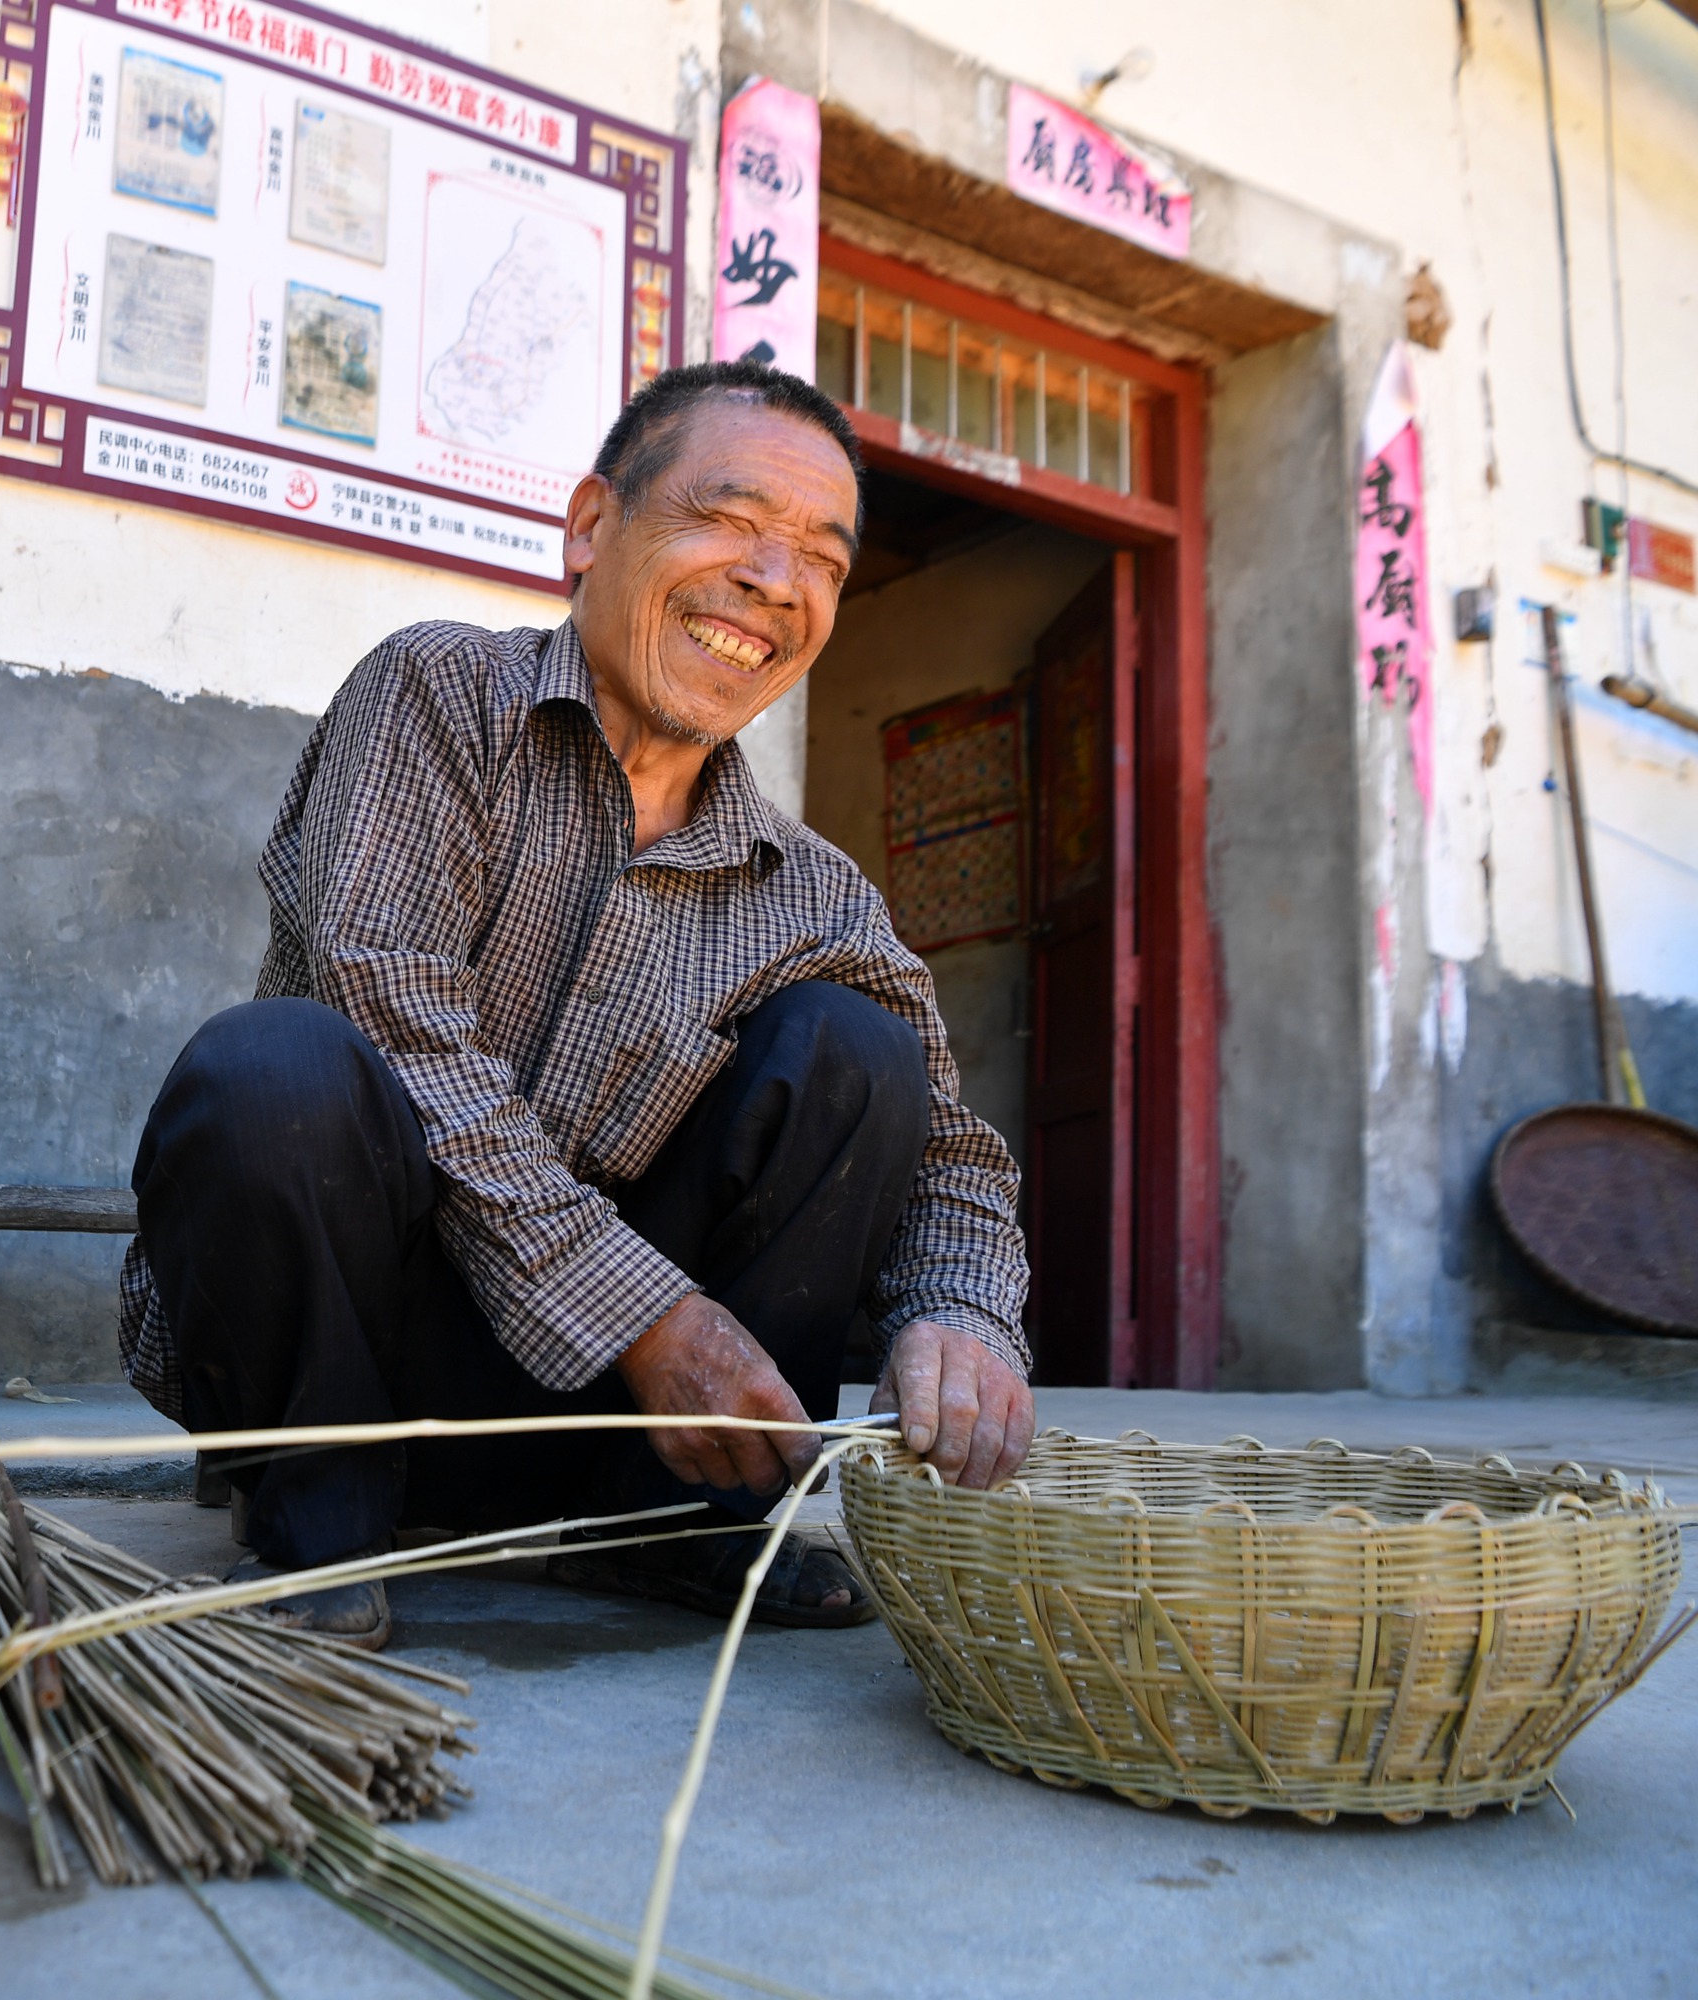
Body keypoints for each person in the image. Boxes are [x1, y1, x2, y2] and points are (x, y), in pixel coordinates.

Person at [117, 360, 1035, 1651]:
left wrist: (963, 1317)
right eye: (728, 519)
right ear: (593, 525)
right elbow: (386, 1008)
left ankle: (677, 1530)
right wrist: (651, 1316)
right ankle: (312, 1526)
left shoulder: (813, 889)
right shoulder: (436, 698)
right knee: (273, 1066)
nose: (775, 582)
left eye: (822, 558)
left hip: (602, 1409)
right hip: (337, 1373)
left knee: (855, 1049)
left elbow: (948, 1152)